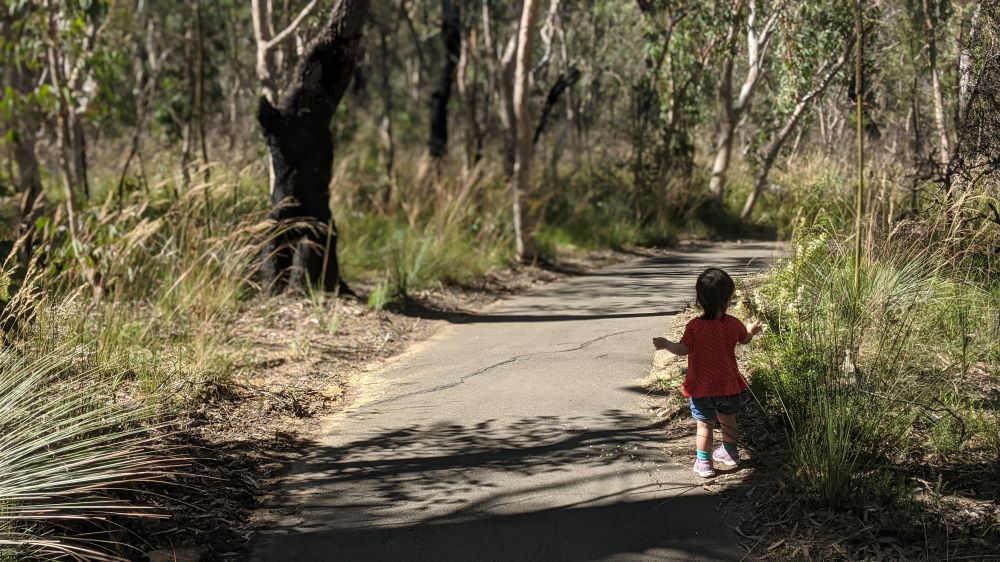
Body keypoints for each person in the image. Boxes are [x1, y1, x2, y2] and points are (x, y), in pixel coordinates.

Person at [653, 267, 763, 478]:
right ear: (728, 298)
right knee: (728, 420)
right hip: (729, 385)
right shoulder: (733, 323)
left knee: (704, 425)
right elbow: (745, 339)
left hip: (702, 387)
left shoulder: (695, 327)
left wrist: (666, 344)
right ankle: (730, 453)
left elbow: (682, 349)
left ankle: (704, 463)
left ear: (699, 299)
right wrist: (751, 331)